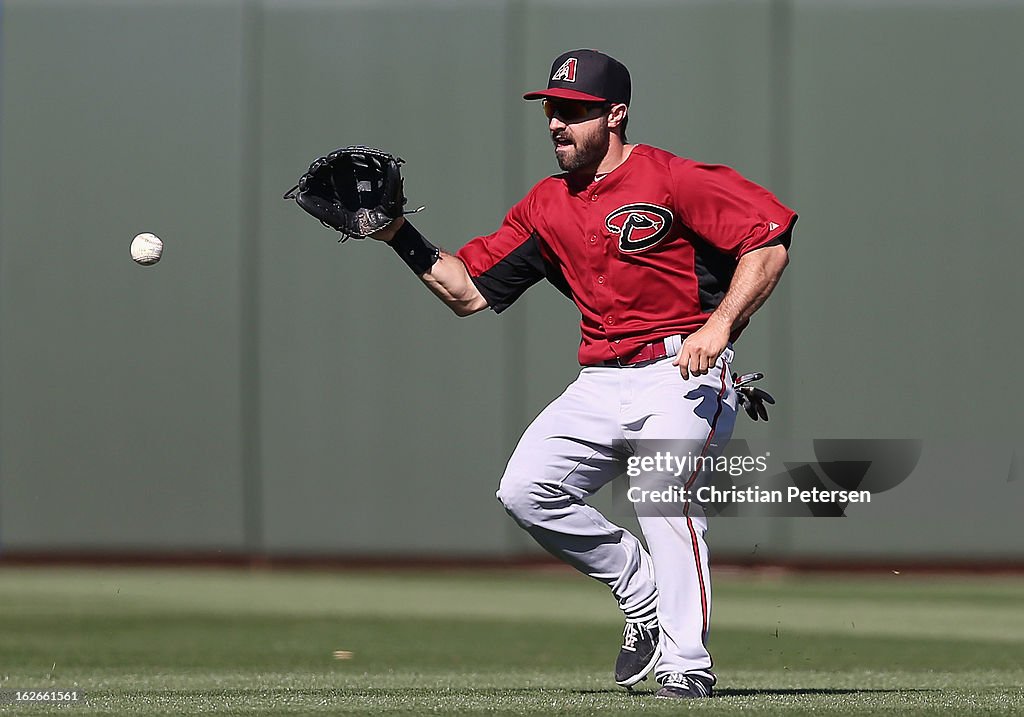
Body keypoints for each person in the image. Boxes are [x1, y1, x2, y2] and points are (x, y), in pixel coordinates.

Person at [372, 49, 796, 699]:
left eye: (572, 110)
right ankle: (638, 586)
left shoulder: (672, 179)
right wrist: (397, 232)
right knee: (525, 490)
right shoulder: (546, 205)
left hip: (681, 369)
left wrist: (721, 327)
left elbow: (768, 237)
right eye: (550, 110)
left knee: (662, 494)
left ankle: (688, 663)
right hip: (600, 380)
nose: (556, 123)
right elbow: (466, 291)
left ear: (615, 114)